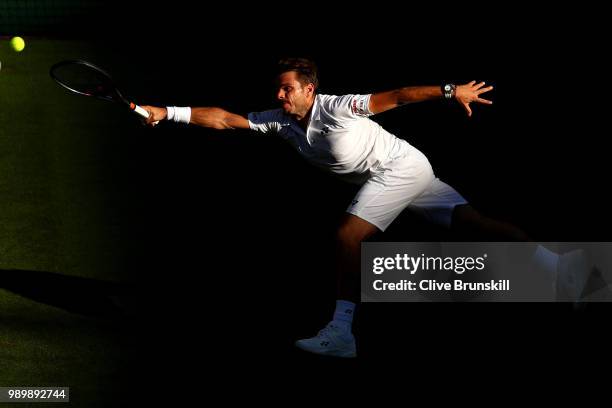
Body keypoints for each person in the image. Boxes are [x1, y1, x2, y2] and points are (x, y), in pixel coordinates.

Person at [141, 58, 590, 358]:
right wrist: (166, 111)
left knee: (348, 236)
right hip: (409, 170)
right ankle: (562, 269)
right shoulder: (279, 123)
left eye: (287, 89)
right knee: (474, 223)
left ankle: (342, 332)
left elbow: (395, 96)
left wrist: (451, 91)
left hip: (397, 169)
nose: (280, 96)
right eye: (278, 90)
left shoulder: (338, 107)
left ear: (309, 89)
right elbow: (223, 118)